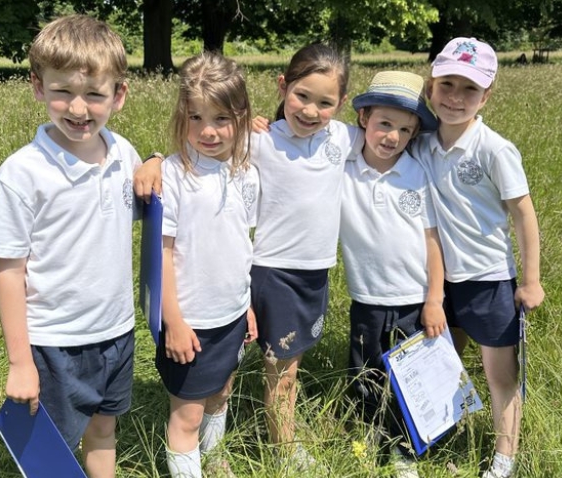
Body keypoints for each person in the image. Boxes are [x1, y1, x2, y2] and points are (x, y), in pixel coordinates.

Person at [0, 15, 140, 477]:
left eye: (94, 94)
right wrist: (20, 363)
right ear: (37, 87)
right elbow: (8, 271)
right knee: (52, 453)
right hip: (55, 344)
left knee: (104, 431)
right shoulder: (22, 173)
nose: (78, 108)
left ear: (119, 95)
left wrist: (151, 162)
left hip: (116, 333)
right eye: (61, 91)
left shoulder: (124, 153)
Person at [412, 37, 545, 478]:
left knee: (499, 375)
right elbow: (371, 133)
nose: (455, 97)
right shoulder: (422, 143)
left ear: (486, 96)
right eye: (447, 83)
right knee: (442, 363)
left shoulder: (494, 149)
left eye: (469, 89)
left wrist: (531, 280)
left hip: (488, 279)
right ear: (431, 87)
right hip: (438, 280)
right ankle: (441, 433)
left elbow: (523, 215)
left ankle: (503, 458)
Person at [248, 43, 363, 470]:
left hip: (315, 272)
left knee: (291, 361)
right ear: (282, 86)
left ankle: (274, 434)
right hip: (273, 270)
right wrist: (151, 161)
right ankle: (282, 450)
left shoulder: (343, 137)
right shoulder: (260, 139)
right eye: (302, 96)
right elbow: (200, 150)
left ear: (342, 104)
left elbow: (397, 135)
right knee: (282, 369)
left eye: (325, 102)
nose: (311, 111)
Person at [156, 51, 259, 478]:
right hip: (189, 319)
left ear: (242, 116)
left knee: (221, 392)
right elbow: (160, 255)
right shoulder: (173, 175)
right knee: (188, 415)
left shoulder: (247, 173)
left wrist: (247, 304)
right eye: (196, 118)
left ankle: (215, 459)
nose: (208, 131)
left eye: (220, 118)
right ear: (182, 116)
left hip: (232, 313)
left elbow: (240, 245)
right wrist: (174, 321)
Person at [340, 71, 446, 477]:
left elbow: (433, 242)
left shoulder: (417, 174)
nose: (393, 137)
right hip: (366, 298)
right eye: (385, 123)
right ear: (364, 118)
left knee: (410, 380)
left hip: (414, 299)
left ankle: (404, 450)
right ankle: (368, 437)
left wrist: (434, 299)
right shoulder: (345, 168)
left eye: (405, 129)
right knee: (366, 375)